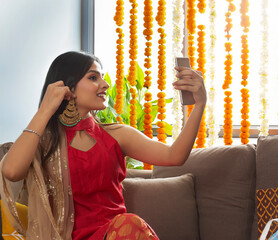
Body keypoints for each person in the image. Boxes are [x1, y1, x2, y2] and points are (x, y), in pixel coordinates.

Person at [0, 51, 207, 239]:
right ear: (67, 88)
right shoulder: (44, 140)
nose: (105, 84)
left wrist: (199, 104)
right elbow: (11, 171)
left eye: (101, 76)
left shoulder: (116, 135)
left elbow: (174, 156)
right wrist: (45, 110)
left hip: (116, 234)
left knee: (129, 223)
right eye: (93, 77)